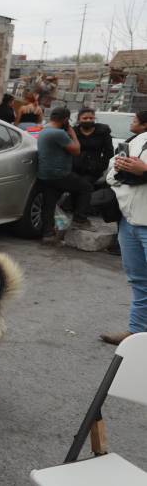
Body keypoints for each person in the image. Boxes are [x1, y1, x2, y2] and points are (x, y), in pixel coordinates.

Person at [101, 131, 147, 345]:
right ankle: (137, 334)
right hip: (129, 222)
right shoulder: (139, 139)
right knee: (139, 281)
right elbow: (111, 174)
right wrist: (120, 170)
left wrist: (144, 171)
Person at [37, 107, 93, 242]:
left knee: (49, 205)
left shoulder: (45, 130)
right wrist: (72, 133)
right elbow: (76, 150)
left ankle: (48, 234)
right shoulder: (58, 133)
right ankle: (80, 218)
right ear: (66, 120)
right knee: (86, 188)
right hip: (60, 174)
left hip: (45, 174)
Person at [72, 107, 114, 185]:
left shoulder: (103, 131)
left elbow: (109, 152)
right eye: (85, 118)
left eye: (91, 118)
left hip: (94, 170)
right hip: (75, 169)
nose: (88, 120)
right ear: (79, 119)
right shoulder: (73, 132)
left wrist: (102, 166)